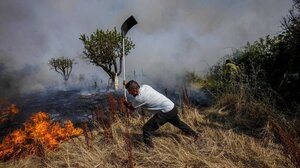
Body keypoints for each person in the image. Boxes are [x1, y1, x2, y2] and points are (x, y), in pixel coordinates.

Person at [123, 80, 199, 148]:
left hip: (165, 111)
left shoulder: (139, 98)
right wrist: (127, 85)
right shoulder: (145, 86)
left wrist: (125, 103)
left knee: (147, 128)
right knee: (178, 123)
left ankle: (149, 149)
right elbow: (134, 88)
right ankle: (195, 135)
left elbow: (131, 108)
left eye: (129, 91)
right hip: (172, 107)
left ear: (134, 90)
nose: (129, 93)